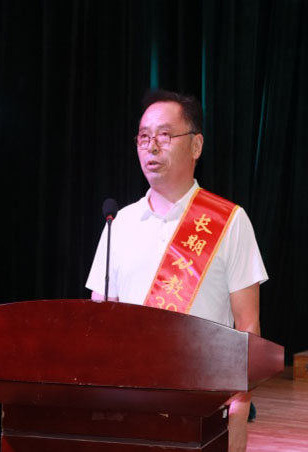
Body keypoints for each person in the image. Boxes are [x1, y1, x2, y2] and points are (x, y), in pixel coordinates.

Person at [86, 89, 268, 452]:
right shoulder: (119, 223)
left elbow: (248, 327)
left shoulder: (229, 221)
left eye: (165, 135)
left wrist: (239, 407)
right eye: (144, 137)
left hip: (202, 408)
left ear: (196, 145)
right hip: (131, 407)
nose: (151, 147)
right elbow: (98, 319)